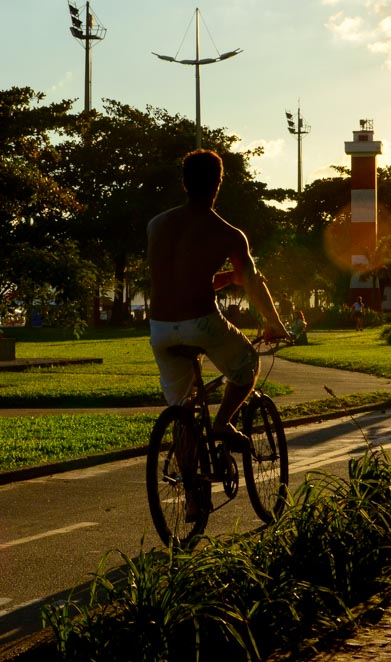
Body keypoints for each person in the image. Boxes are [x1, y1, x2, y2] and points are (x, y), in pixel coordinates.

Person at [148, 149, 289, 518]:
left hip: (160, 328)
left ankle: (194, 497)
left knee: (181, 410)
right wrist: (274, 323)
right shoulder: (228, 232)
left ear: (184, 181)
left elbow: (181, 277)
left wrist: (223, 280)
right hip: (201, 322)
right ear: (218, 184)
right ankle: (224, 422)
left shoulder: (157, 225)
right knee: (247, 365)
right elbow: (254, 284)